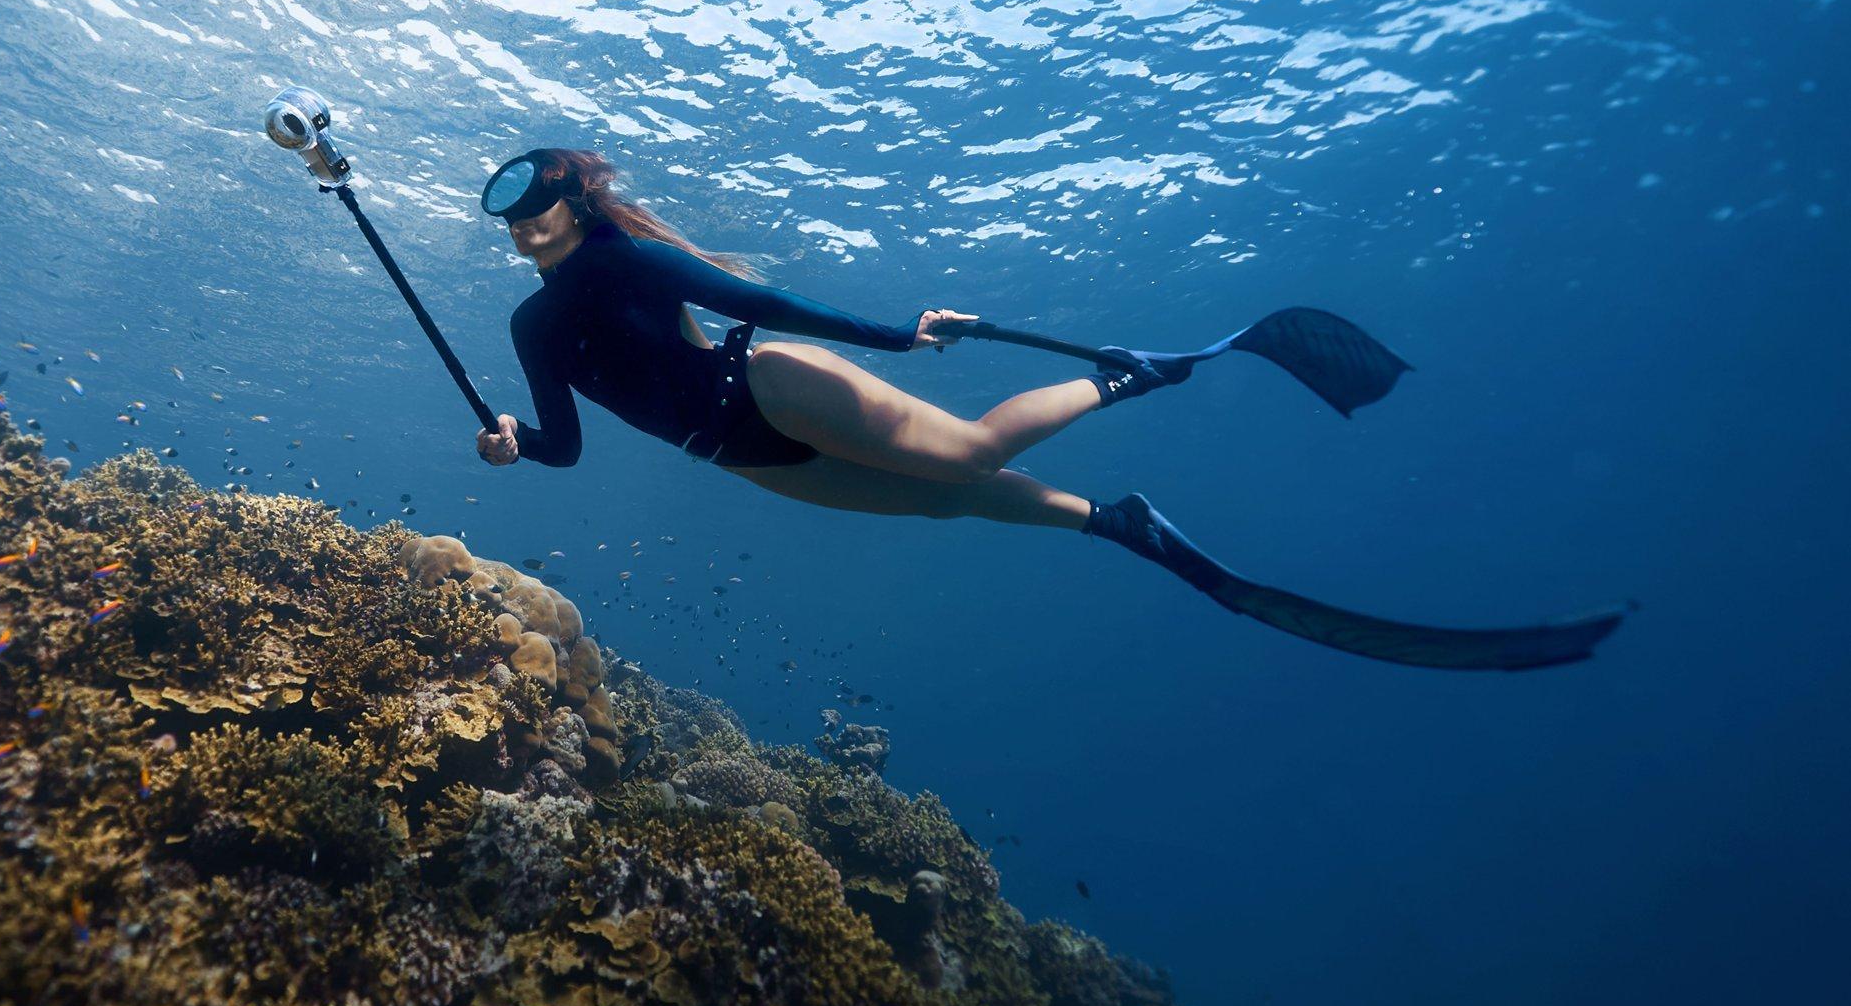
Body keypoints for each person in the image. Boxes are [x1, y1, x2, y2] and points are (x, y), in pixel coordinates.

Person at [472, 146, 1624, 670]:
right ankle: (1115, 522)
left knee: (969, 453)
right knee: (947, 505)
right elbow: (567, 446)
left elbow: (761, 303)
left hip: (763, 383)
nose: (525, 224)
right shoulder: (531, 329)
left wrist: (898, 335)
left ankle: (1129, 374)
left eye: (540, 204)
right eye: (513, 215)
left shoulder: (625, 260)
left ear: (577, 204)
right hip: (735, 452)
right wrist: (516, 444)